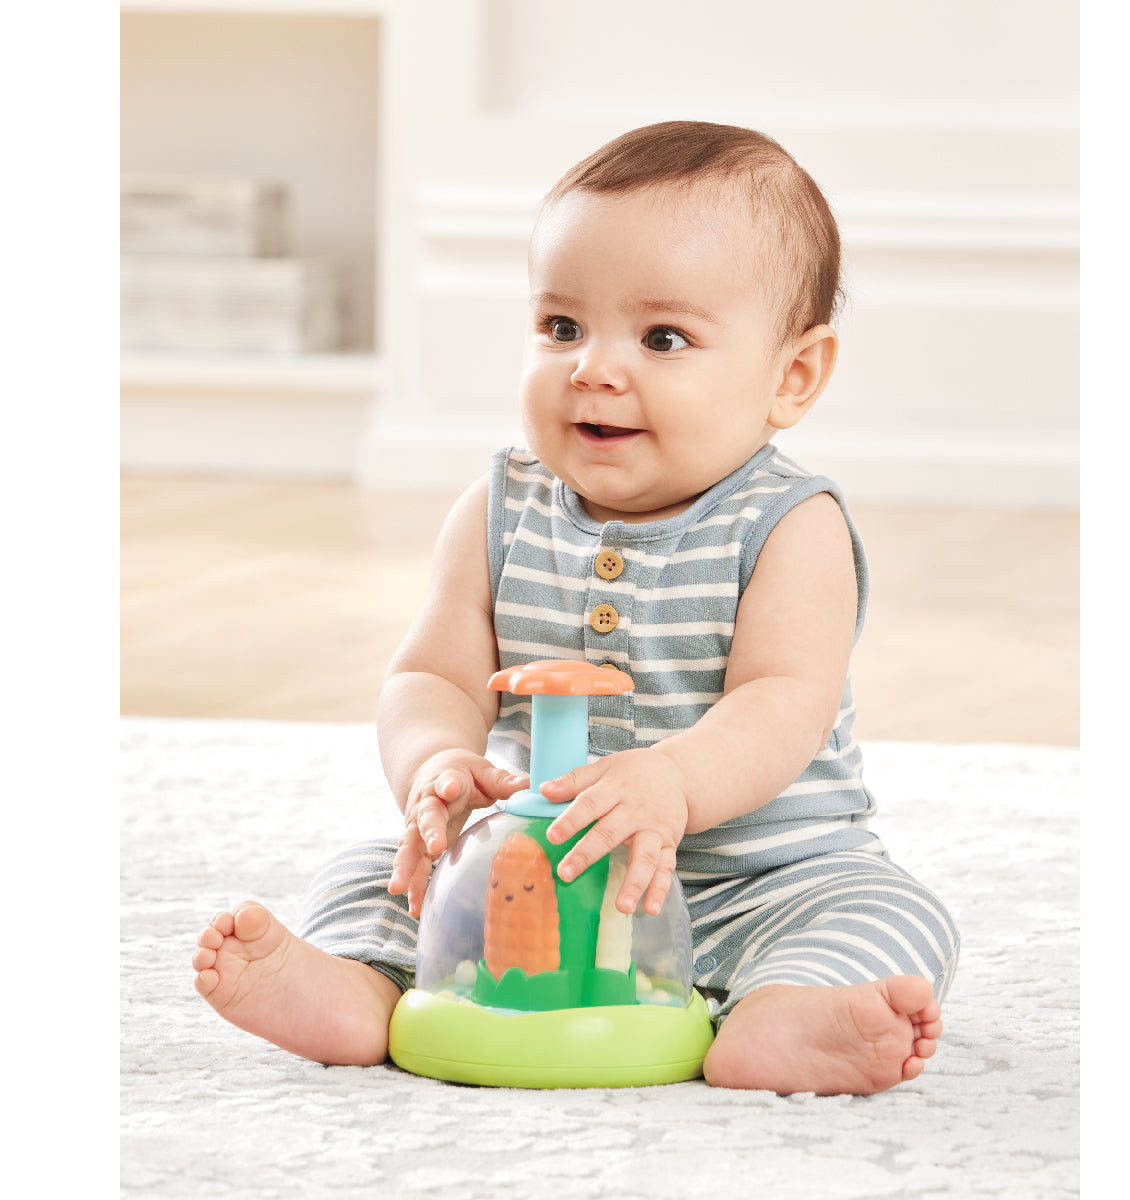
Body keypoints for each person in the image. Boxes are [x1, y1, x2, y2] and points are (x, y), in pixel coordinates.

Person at [192, 121, 959, 1096]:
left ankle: (781, 1013)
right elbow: (430, 673)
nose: (593, 368)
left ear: (791, 376)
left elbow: (783, 701)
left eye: (663, 339)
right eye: (561, 327)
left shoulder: (788, 525)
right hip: (530, 883)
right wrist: (434, 766)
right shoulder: (498, 509)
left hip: (754, 883)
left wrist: (674, 782)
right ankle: (356, 986)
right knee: (376, 870)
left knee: (891, 911)